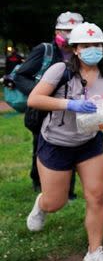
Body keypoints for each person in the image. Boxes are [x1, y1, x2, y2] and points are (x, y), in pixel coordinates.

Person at [25, 22, 103, 261]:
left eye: (97, 45)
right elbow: (34, 99)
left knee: (97, 196)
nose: (93, 49)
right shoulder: (60, 70)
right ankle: (41, 205)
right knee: (56, 202)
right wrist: (70, 105)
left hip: (89, 142)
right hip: (56, 143)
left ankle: (94, 251)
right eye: (87, 45)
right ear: (76, 49)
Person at [13, 11, 83, 196]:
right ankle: (39, 182)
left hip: (71, 110)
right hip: (43, 111)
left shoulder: (82, 53)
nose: (68, 35)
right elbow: (20, 76)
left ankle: (68, 191)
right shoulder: (45, 50)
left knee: (71, 145)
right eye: (65, 30)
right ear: (56, 31)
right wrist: (41, 93)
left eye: (73, 31)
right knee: (42, 147)